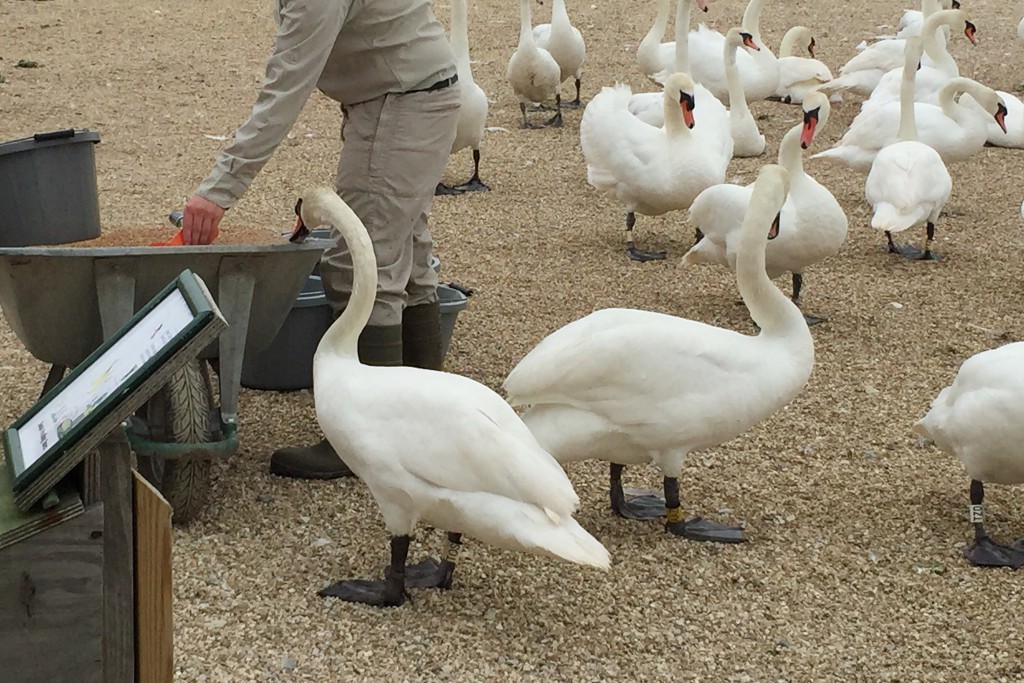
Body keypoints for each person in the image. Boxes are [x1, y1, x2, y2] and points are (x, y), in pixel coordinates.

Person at [182, 0, 461, 479]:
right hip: (411, 94)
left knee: (361, 262)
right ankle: (426, 419)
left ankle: (370, 440)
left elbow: (286, 88)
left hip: (399, 103)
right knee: (405, 260)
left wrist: (217, 193)